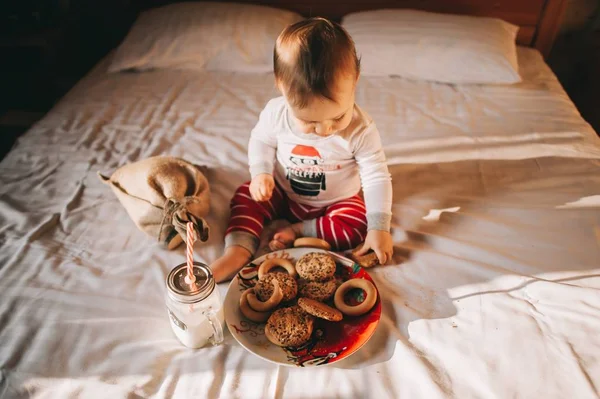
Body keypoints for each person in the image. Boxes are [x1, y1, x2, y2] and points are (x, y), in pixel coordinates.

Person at [211, 17, 393, 282]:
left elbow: (376, 174)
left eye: (338, 116)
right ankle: (238, 250)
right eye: (309, 121)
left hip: (337, 203)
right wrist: (262, 173)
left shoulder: (361, 129)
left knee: (357, 224)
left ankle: (298, 231)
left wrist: (380, 227)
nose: (325, 130)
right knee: (245, 195)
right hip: (284, 194)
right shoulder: (276, 114)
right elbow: (261, 140)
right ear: (281, 86)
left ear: (355, 81)